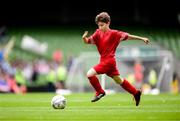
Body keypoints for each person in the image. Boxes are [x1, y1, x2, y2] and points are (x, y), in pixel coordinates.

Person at [82, 12, 149, 106]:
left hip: (108, 61)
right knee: (119, 80)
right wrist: (84, 38)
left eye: (102, 25)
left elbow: (128, 36)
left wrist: (141, 38)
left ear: (108, 23)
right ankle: (136, 93)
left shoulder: (114, 34)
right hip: (106, 61)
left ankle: (100, 92)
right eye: (99, 25)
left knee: (89, 74)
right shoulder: (97, 33)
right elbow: (88, 41)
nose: (100, 27)